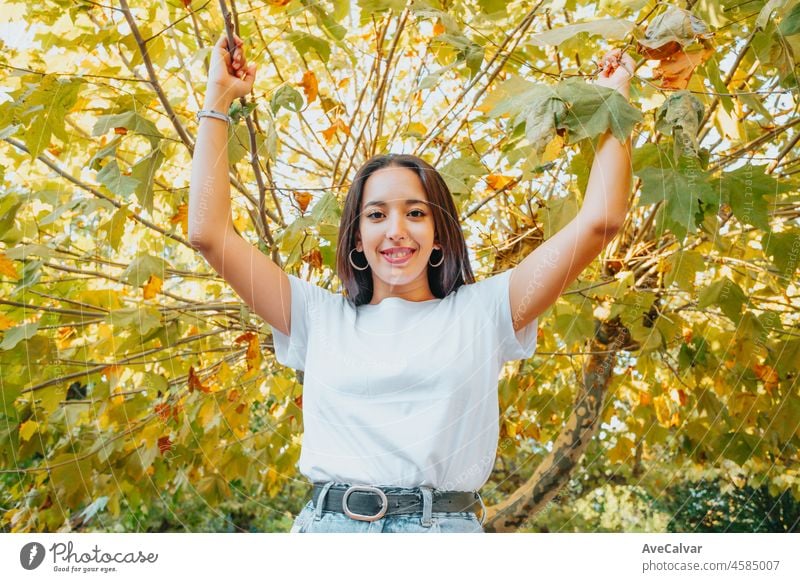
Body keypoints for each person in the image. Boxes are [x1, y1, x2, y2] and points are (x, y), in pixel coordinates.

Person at [189, 33, 635, 533]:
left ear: (439, 234)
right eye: (376, 214)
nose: (396, 230)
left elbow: (601, 221)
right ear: (356, 239)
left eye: (416, 213)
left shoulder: (486, 311)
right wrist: (218, 100)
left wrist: (611, 101)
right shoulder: (314, 315)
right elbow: (208, 234)